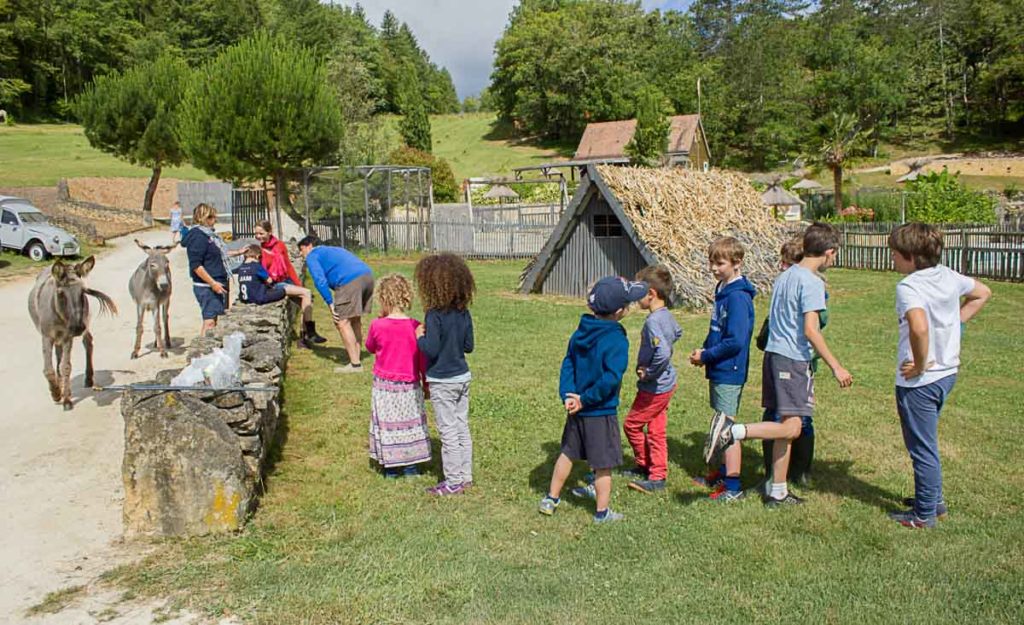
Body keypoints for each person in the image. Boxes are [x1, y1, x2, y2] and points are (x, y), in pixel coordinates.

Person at [703, 222, 853, 508]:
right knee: (792, 428)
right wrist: (836, 366)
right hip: (793, 359)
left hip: (773, 356)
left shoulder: (786, 275)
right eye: (835, 255)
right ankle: (733, 432)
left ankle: (778, 492)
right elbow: (811, 329)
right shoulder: (812, 282)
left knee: (785, 425)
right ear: (829, 252)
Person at [887, 223, 990, 528]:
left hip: (921, 382)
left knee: (922, 448)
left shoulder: (909, 287)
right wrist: (954, 324)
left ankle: (924, 516)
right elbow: (982, 293)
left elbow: (918, 327)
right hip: (947, 374)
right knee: (927, 442)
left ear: (909, 256)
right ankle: (933, 501)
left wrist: (920, 365)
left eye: (894, 253)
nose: (891, 257)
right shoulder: (947, 275)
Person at [538, 275, 648, 523]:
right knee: (603, 464)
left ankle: (551, 498)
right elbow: (611, 378)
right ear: (620, 311)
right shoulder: (616, 338)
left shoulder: (582, 330)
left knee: (567, 453)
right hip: (599, 411)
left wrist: (569, 395)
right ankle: (602, 512)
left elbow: (568, 364)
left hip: (576, 409)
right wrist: (586, 399)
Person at [689, 237, 756, 502]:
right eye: (712, 262)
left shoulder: (738, 298)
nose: (714, 268)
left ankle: (733, 486)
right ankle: (721, 471)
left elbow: (736, 340)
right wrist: (704, 351)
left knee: (727, 427)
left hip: (730, 368)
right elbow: (717, 329)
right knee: (720, 420)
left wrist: (708, 355)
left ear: (737, 263)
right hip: (718, 365)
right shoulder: (722, 288)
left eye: (720, 263)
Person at [414, 254, 476, 496]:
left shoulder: (434, 315)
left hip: (442, 380)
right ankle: (466, 476)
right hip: (462, 377)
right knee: (462, 427)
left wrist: (420, 336)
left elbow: (431, 349)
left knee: (448, 430)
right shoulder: (464, 313)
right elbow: (469, 345)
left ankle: (453, 481)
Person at [365, 274, 432, 478]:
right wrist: (426, 384)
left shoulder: (378, 325)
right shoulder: (415, 326)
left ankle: (391, 467)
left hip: (385, 386)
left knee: (387, 424)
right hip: (409, 384)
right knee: (409, 423)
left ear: (383, 298)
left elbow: (370, 347)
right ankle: (411, 465)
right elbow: (422, 359)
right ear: (406, 297)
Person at [622, 266, 681, 494]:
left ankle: (644, 464)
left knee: (632, 425)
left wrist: (649, 372)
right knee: (656, 429)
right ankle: (657, 475)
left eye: (640, 292)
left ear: (652, 293)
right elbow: (677, 332)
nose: (637, 298)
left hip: (655, 387)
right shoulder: (666, 315)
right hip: (667, 383)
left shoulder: (653, 322)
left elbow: (663, 352)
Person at [298, 236, 374, 372]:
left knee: (342, 322)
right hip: (367, 276)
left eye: (301, 249)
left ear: (309, 245)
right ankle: (356, 357)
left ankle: (355, 365)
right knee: (355, 319)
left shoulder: (312, 255)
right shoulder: (333, 249)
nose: (300, 253)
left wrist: (330, 303)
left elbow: (319, 280)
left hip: (349, 281)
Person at [233, 244, 318, 348]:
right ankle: (308, 333)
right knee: (288, 289)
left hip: (247, 298)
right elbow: (269, 280)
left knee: (302, 299)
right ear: (257, 256)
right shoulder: (256, 267)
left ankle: (306, 333)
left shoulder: (241, 268)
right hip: (261, 297)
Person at [255, 221, 326, 345]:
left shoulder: (279, 245)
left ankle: (304, 338)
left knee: (307, 302)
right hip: (273, 284)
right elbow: (258, 270)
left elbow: (288, 266)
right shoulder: (258, 249)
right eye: (256, 234)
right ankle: (310, 333)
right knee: (306, 293)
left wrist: (298, 284)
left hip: (284, 280)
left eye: (261, 233)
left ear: (270, 232)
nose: (258, 236)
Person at [183, 203, 231, 336]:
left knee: (214, 318)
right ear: (205, 218)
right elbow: (196, 266)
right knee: (209, 321)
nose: (215, 220)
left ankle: (208, 351)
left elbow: (218, 254)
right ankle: (203, 352)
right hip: (206, 286)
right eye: (212, 217)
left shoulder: (208, 235)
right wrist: (213, 283)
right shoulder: (198, 237)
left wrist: (239, 252)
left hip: (214, 283)